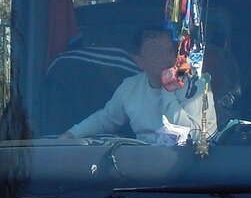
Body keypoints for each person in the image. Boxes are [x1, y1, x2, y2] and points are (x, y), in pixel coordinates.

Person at [63, 30, 216, 142]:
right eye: (157, 53)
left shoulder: (196, 85)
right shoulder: (130, 88)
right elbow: (106, 119)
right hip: (143, 167)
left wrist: (168, 89)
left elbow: (194, 136)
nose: (168, 58)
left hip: (190, 167)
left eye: (169, 51)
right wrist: (71, 134)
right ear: (139, 61)